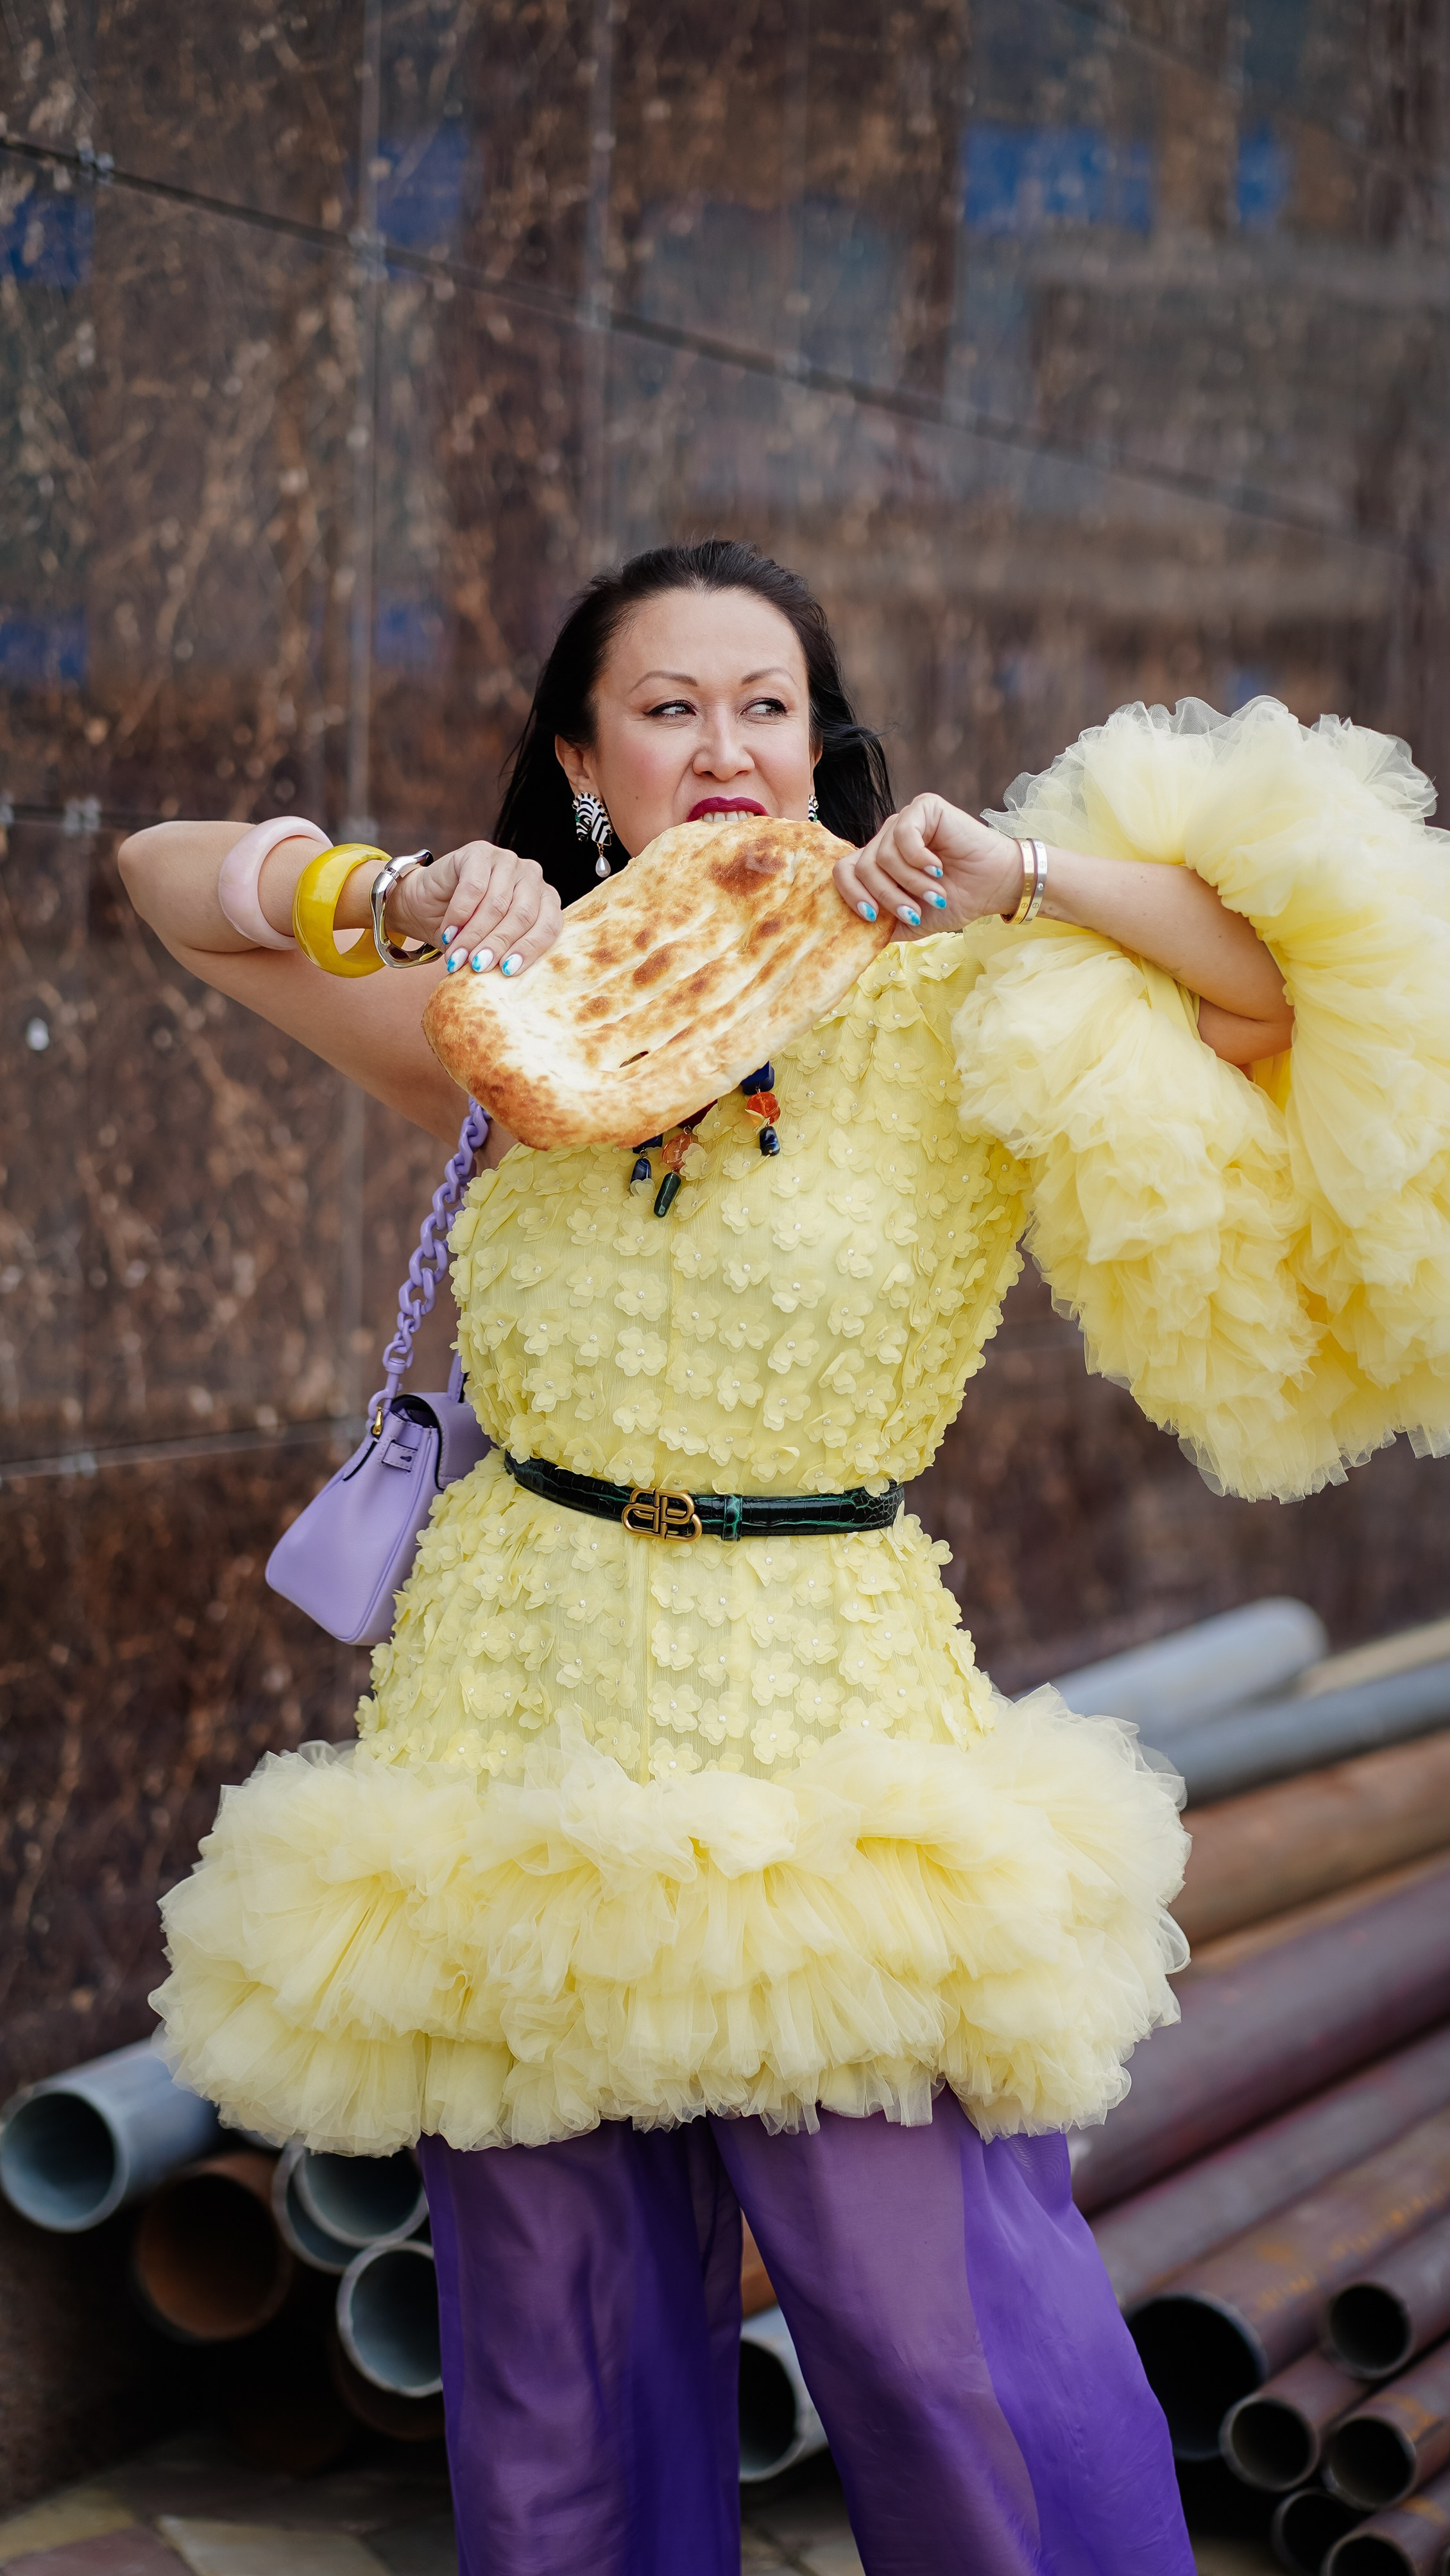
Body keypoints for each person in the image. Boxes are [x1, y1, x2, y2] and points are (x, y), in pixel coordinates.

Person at [121, 538, 1450, 2576]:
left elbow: (1280, 982)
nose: (723, 747)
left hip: (818, 1699)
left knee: (932, 2330)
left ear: (818, 742)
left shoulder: (958, 985)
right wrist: (383, 894)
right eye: (667, 709)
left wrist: (1021, 873)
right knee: (552, 2354)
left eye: (764, 705)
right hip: (518, 1691)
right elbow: (156, 873)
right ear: (586, 760)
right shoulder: (510, 1000)